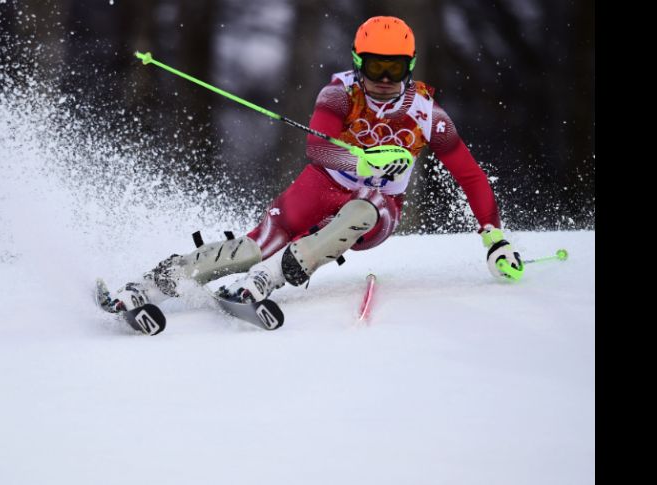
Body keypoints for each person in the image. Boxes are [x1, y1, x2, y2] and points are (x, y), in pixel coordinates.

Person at [101, 15, 523, 314]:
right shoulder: (338, 94)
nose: (383, 77)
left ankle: (272, 278)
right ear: (358, 61)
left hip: (378, 210)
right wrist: (362, 160)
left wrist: (494, 238)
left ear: (409, 67)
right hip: (320, 185)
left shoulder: (429, 115)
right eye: (375, 65)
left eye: (394, 67)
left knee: (364, 206)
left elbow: (469, 175)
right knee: (252, 248)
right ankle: (152, 283)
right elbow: (317, 150)